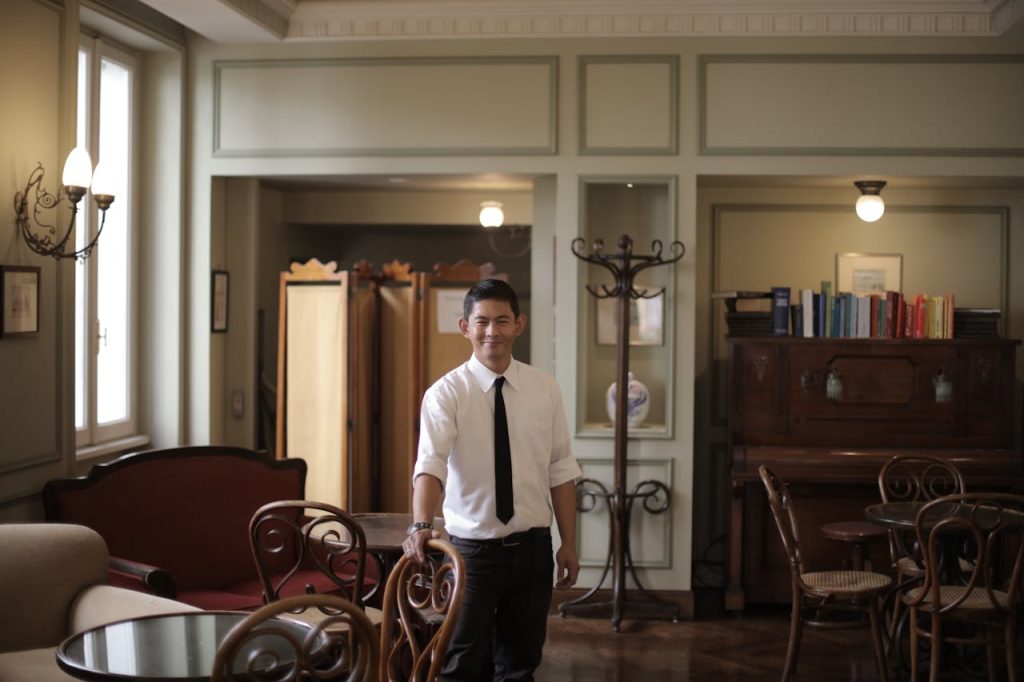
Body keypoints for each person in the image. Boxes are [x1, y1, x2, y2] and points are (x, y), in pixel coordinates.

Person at [403, 278, 581, 681]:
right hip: (472, 555)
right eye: (481, 321)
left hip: (534, 549)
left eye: (502, 321)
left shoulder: (545, 390)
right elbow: (431, 465)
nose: (492, 331)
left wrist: (568, 543)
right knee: (462, 665)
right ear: (465, 327)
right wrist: (420, 523)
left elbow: (561, 469)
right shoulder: (446, 394)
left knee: (521, 666)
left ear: (519, 324)